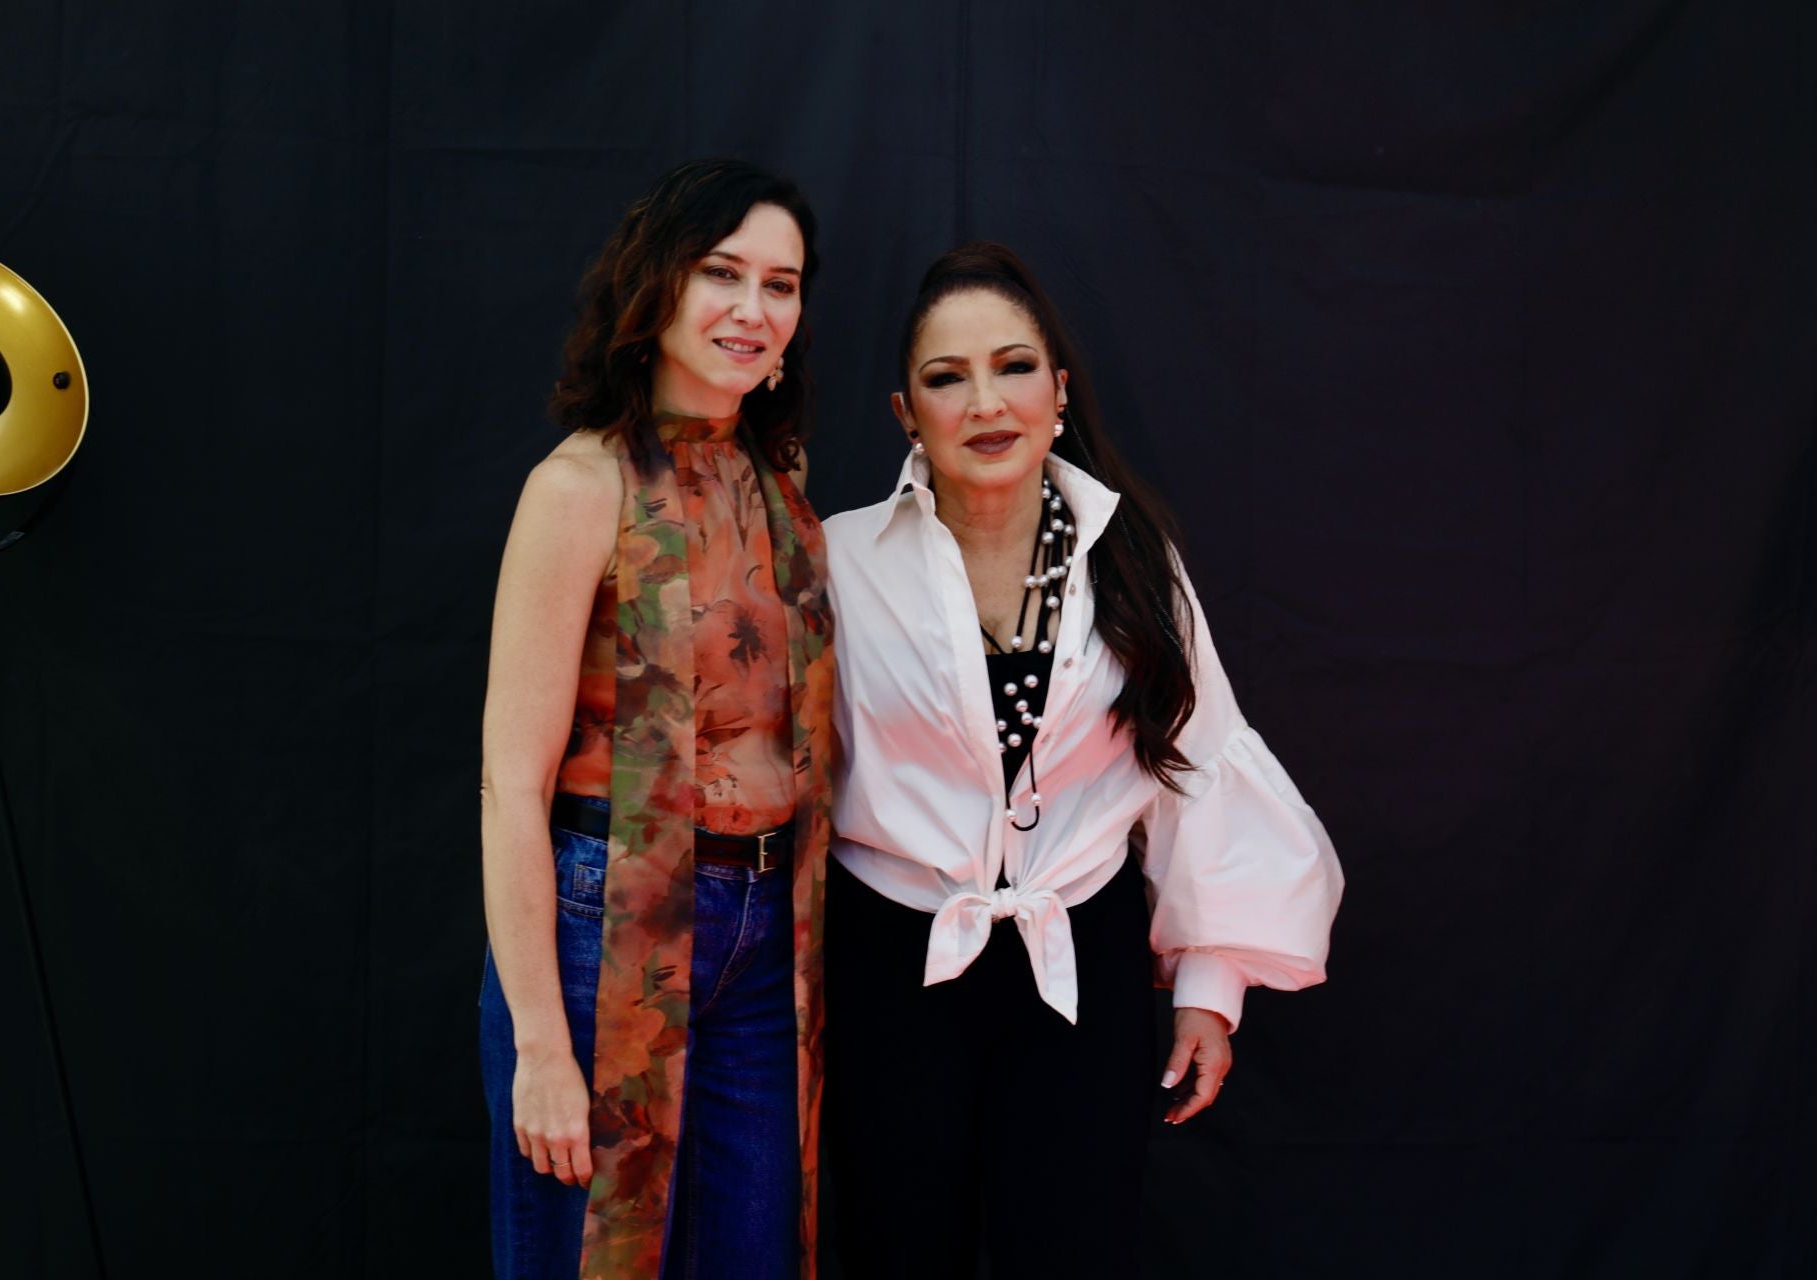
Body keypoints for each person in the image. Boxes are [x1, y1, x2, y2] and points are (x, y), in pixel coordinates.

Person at [820, 242, 1343, 1278]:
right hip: (892, 960)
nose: (986, 401)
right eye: (946, 377)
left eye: (1014, 366)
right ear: (904, 414)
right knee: (894, 1252)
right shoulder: (836, 558)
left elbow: (1198, 757)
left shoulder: (1134, 555)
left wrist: (1209, 981)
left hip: (1078, 958)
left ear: (1060, 390)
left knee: (1071, 1250)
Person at [478, 158, 835, 1280]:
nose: (752, 308)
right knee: (588, 1256)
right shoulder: (578, 487)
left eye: (780, 284)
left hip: (767, 932)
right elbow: (509, 782)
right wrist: (540, 1039)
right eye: (721, 272)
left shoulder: (778, 476)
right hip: (603, 924)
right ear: (657, 286)